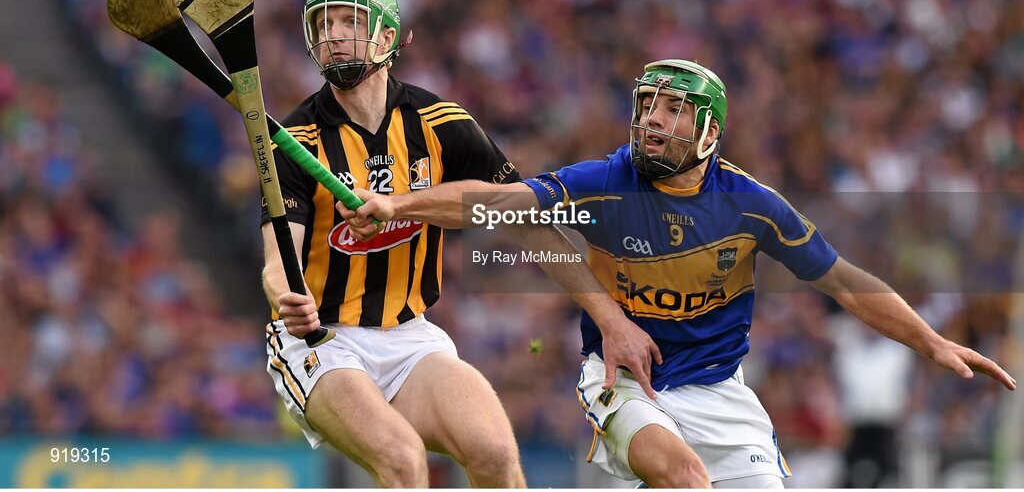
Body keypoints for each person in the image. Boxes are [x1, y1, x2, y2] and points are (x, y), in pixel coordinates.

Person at [340, 58, 1017, 488]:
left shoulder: (751, 204)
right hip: (629, 385)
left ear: (711, 132)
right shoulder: (607, 179)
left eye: (673, 109)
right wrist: (400, 204)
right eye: (646, 105)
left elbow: (844, 282)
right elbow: (496, 201)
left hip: (723, 394)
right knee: (688, 481)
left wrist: (932, 342)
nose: (652, 121)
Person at [261, 0, 660, 488]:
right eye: (324, 25)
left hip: (409, 336)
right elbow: (277, 262)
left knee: (494, 453)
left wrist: (611, 320)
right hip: (322, 342)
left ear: (388, 40)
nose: (334, 34)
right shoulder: (297, 141)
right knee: (404, 460)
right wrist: (286, 297)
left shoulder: (442, 124)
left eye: (351, 22)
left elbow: (526, 224)